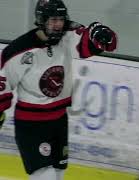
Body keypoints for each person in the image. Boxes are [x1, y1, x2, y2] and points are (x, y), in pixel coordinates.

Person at [0, 0, 117, 179]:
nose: (58, 25)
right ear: (41, 20)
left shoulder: (66, 35)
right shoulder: (19, 50)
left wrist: (101, 33)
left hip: (59, 121)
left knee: (58, 175)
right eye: (53, 20)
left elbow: (89, 39)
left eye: (61, 20)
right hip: (32, 126)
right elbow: (3, 82)